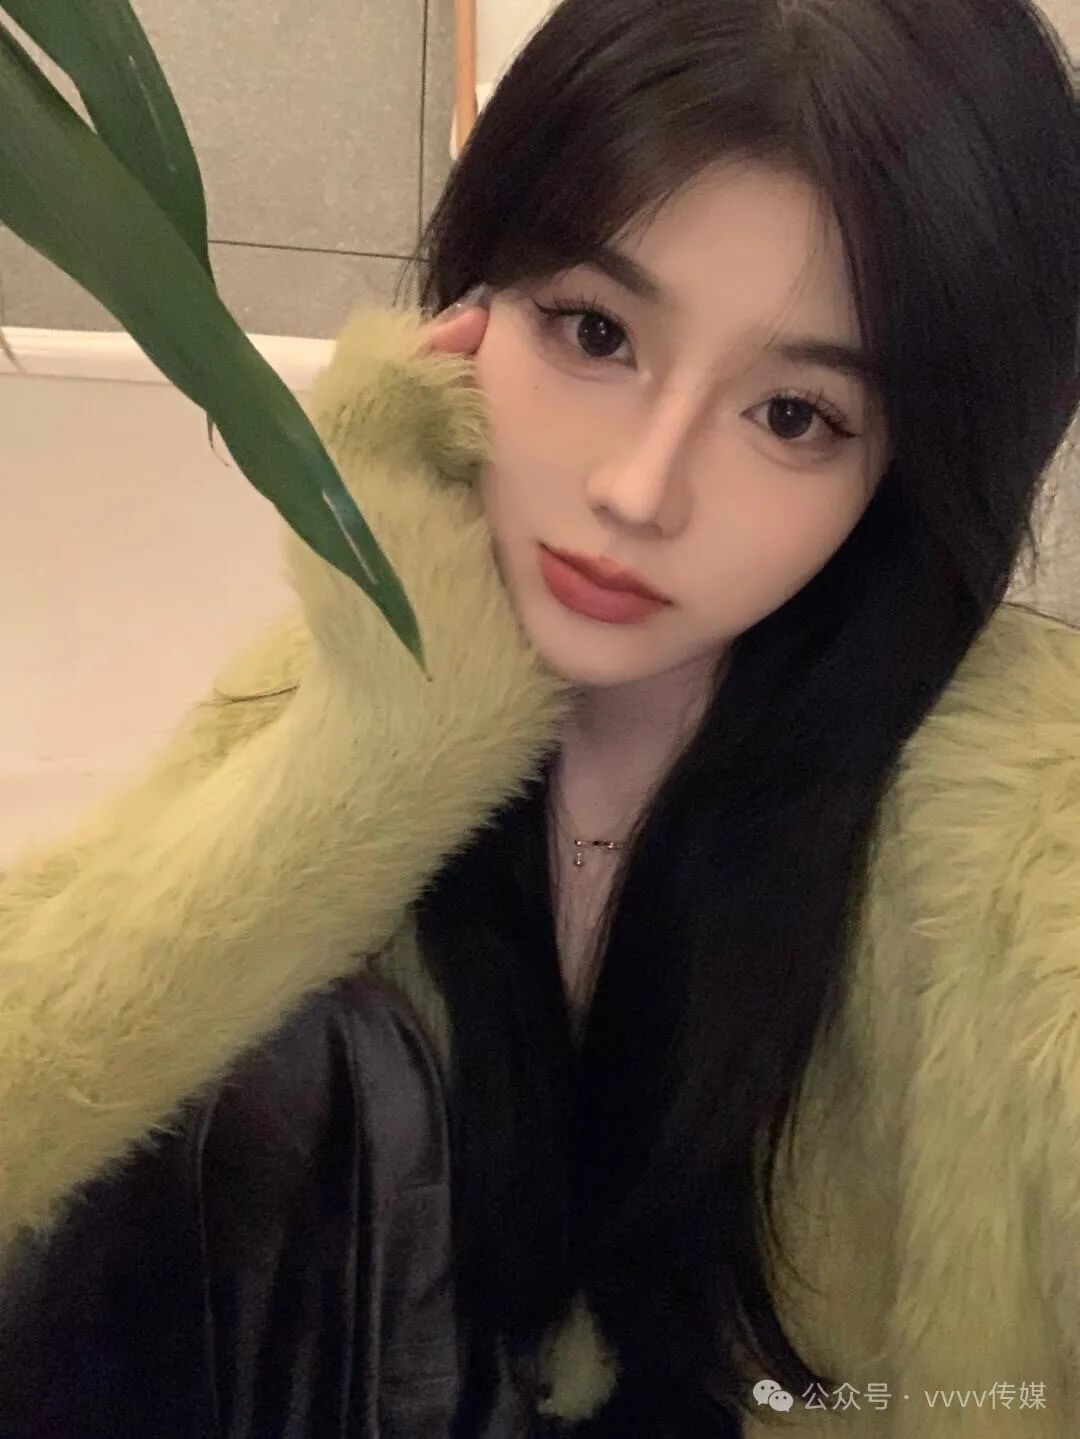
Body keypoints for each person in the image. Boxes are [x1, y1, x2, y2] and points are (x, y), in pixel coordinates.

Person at [0, 0, 1078, 1434]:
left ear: (908, 468)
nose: (639, 489)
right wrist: (384, 758)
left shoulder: (1025, 830)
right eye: (595, 331)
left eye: (794, 416)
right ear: (471, 313)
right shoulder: (367, 670)